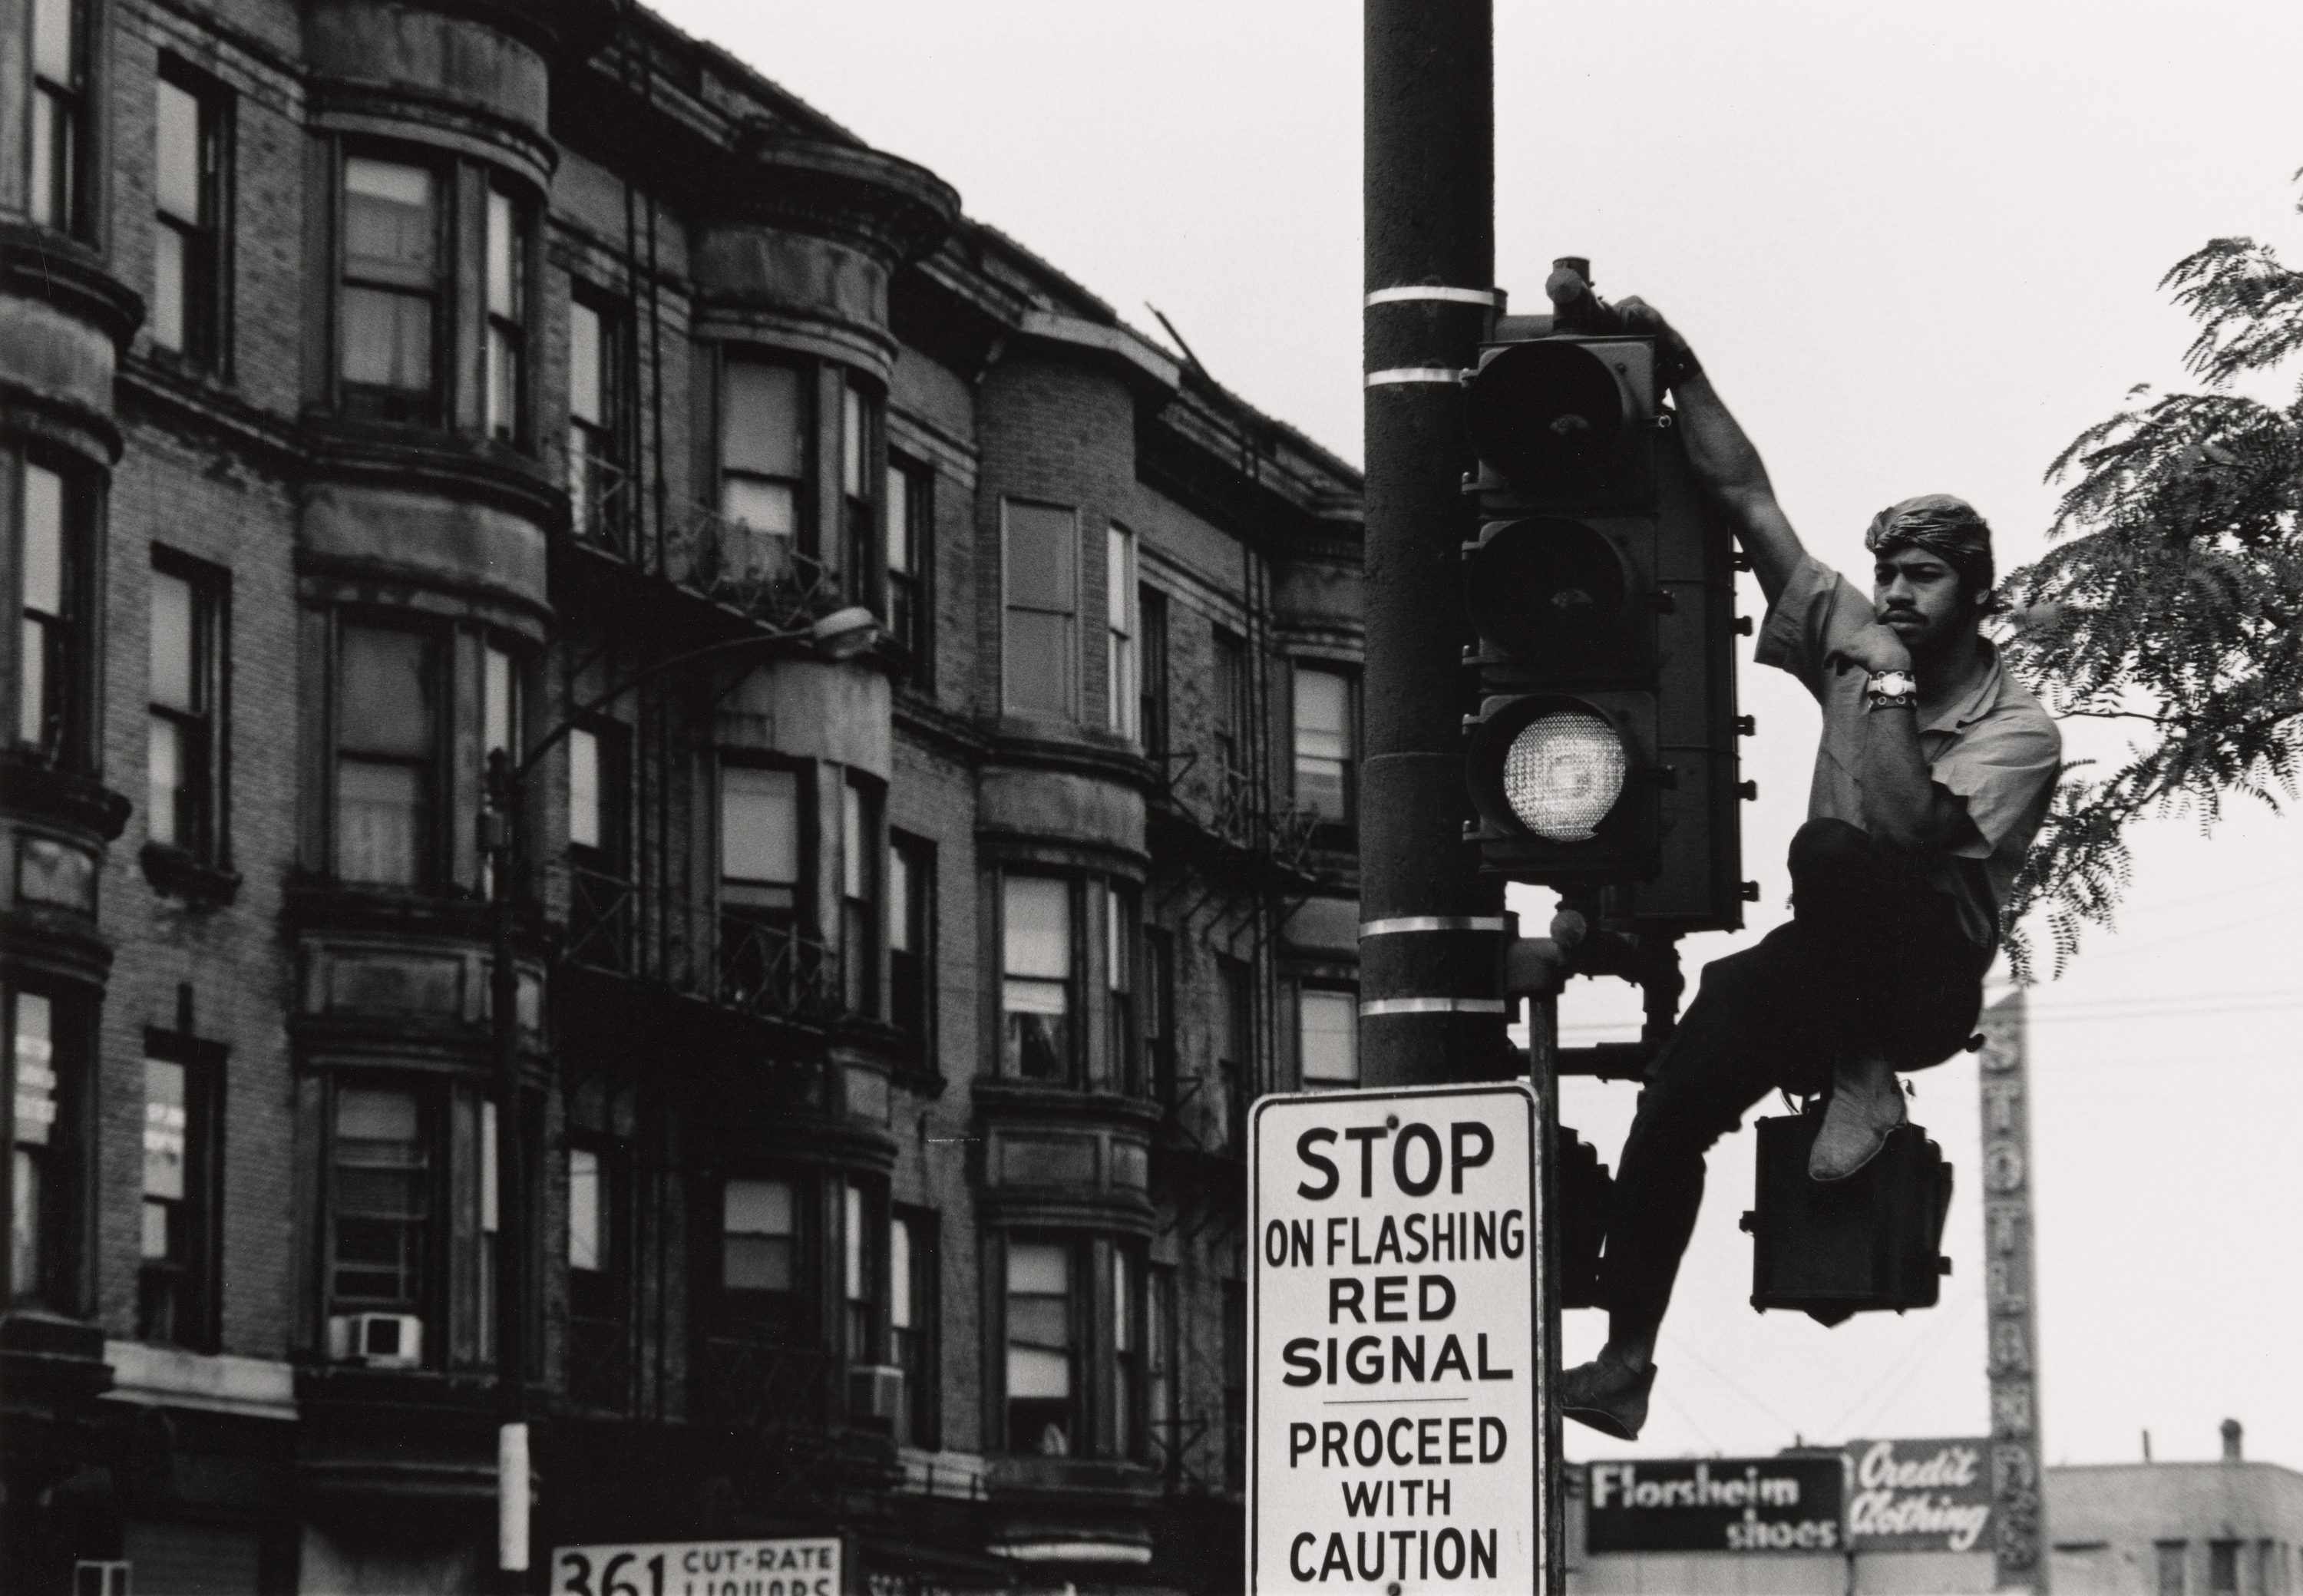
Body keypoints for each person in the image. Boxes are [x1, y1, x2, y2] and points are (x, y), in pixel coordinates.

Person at [1555, 299, 2063, 1441]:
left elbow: (1905, 829)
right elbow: (1747, 502)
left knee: (1834, 851)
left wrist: (1881, 690)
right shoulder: (1854, 630)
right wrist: (1683, 369)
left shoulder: (2019, 729)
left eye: (1922, 576)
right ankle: (1625, 1361)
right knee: (1679, 1089)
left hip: (1925, 979)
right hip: (1827, 958)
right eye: (1886, 572)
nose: (1893, 595)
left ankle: (1870, 1070)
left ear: (1976, 593)